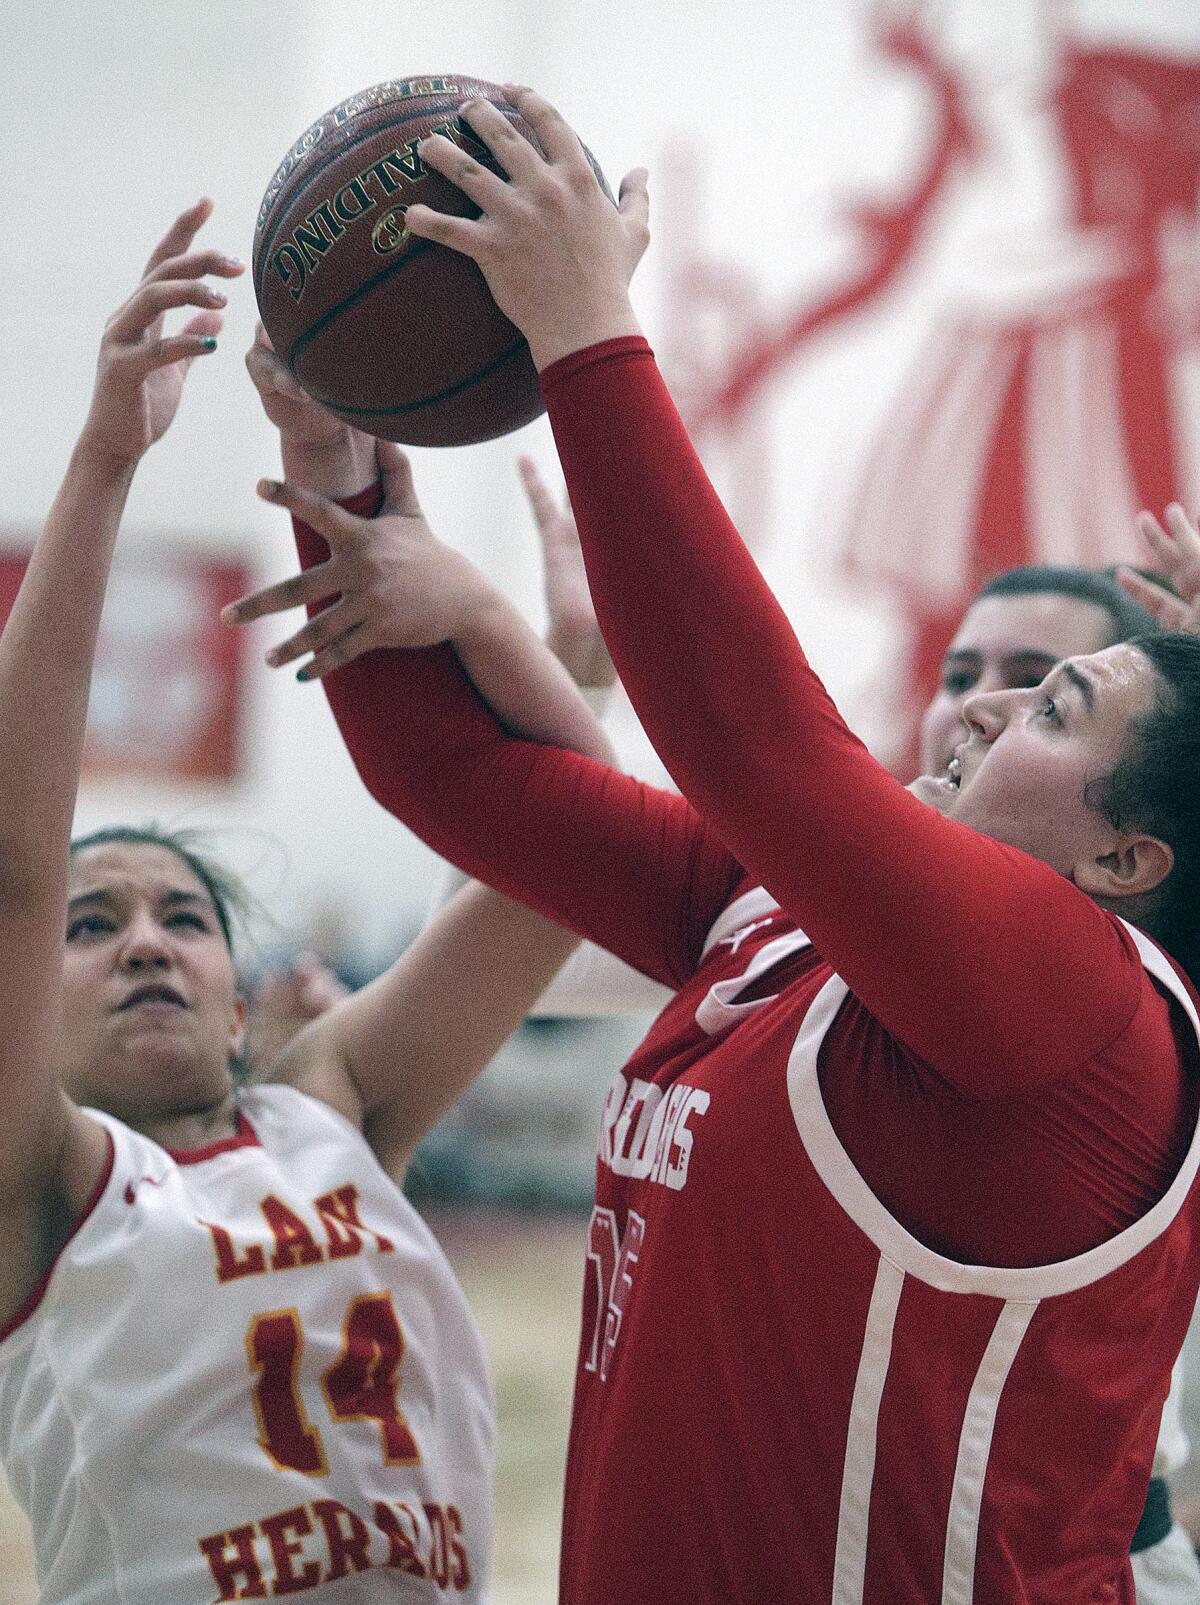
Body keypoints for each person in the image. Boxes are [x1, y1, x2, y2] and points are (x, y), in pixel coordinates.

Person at [232, 89, 1200, 1603]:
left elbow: (751, 737)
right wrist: (340, 463)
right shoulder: (780, 922)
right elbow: (462, 780)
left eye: (1052, 701)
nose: (986, 706)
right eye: (980, 672)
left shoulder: (1083, 1007)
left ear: (1132, 859)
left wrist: (585, 332)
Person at [0, 201, 617, 1603]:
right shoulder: (41, 1184)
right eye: (92, 928)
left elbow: (581, 857)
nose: (146, 938)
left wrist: (477, 612)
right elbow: (12, 870)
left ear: (240, 1000)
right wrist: (105, 462)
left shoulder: (322, 1104)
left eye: (182, 919)